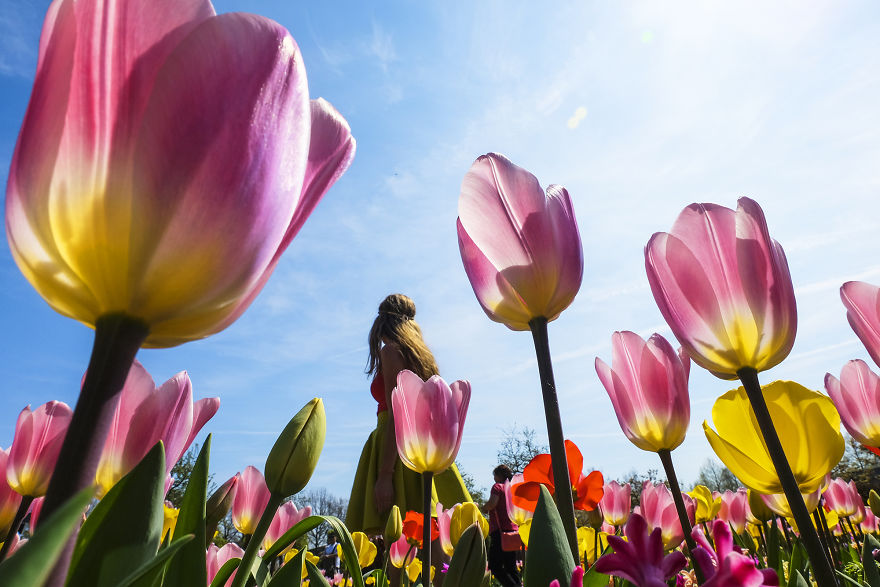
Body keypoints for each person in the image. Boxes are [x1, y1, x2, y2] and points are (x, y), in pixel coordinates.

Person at [346, 294, 472, 535]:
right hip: (426, 443)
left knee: (401, 541)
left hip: (398, 446)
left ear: (383, 323)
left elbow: (397, 414)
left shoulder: (390, 352)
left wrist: (384, 475)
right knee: (433, 530)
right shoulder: (421, 355)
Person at [483, 465, 521, 587]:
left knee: (495, 566)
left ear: (499, 475)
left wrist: (483, 508)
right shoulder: (512, 488)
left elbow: (492, 503)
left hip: (500, 532)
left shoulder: (497, 487)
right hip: (513, 531)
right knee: (511, 566)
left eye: (494, 475)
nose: (493, 478)